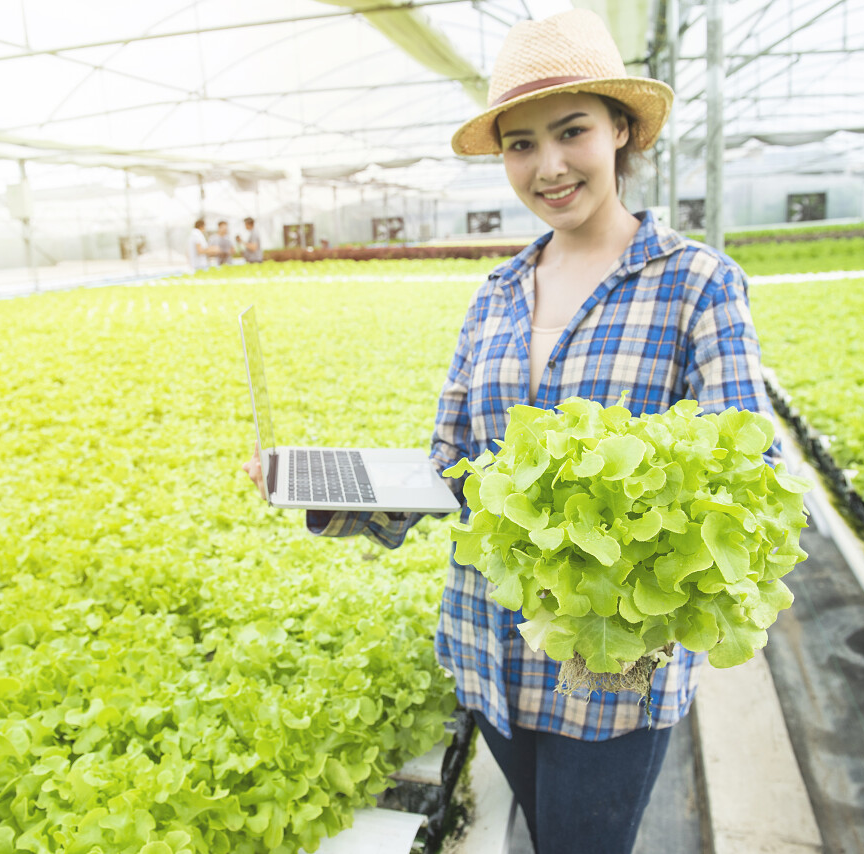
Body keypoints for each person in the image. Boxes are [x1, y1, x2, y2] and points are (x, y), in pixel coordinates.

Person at [242, 10, 774, 853]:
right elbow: (452, 467)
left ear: (621, 131)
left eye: (572, 132)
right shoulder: (495, 294)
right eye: (521, 144)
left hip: (606, 666)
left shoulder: (698, 283)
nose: (549, 166)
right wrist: (327, 496)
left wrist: (610, 544)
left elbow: (754, 471)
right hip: (488, 649)